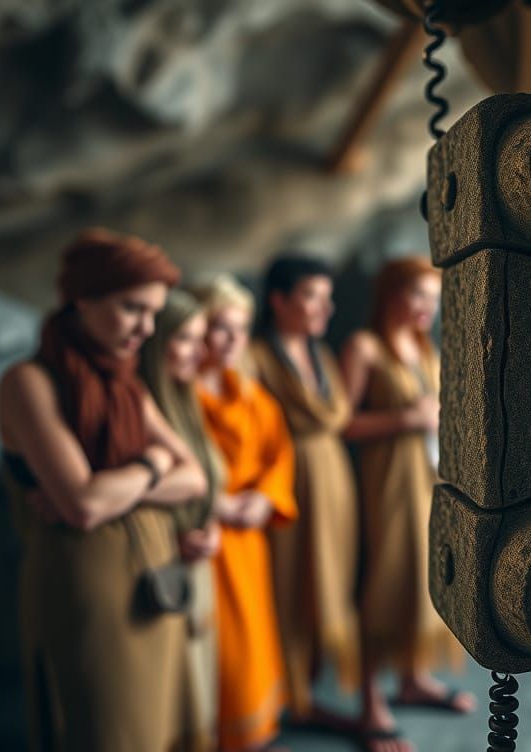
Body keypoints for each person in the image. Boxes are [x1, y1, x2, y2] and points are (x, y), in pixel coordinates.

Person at [0, 228, 207, 752]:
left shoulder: (126, 384)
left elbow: (196, 477)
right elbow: (84, 505)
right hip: (87, 591)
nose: (147, 328)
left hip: (154, 580)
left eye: (155, 313)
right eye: (133, 308)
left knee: (159, 723)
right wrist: (157, 464)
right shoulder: (29, 383)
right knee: (106, 727)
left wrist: (129, 479)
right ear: (81, 300)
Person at [340, 256, 475, 752]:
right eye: (417, 295)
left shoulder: (423, 348)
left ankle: (413, 679)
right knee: (385, 579)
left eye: (433, 298)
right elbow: (343, 424)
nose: (427, 308)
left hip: (428, 477)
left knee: (424, 574)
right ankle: (371, 701)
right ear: (390, 293)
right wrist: (406, 420)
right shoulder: (365, 347)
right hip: (386, 482)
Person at [251, 255, 361, 729]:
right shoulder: (255, 356)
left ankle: (309, 691)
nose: (326, 308)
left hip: (334, 484)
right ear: (278, 300)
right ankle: (282, 695)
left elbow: (338, 416)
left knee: (329, 582)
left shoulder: (325, 356)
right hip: (287, 486)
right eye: (313, 296)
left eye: (328, 297)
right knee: (288, 584)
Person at [194, 274, 298, 752]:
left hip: (247, 541)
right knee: (218, 653)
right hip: (202, 543)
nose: (234, 339)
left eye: (241, 327)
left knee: (253, 642)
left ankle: (252, 734)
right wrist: (215, 504)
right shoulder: (179, 396)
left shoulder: (249, 392)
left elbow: (279, 452)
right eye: (221, 327)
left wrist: (264, 498)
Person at [139, 289, 224, 750]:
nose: (203, 351)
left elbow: (206, 481)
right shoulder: (138, 406)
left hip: (195, 567)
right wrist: (176, 534)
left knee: (199, 698)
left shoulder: (184, 398)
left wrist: (207, 525)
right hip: (155, 569)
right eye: (188, 340)